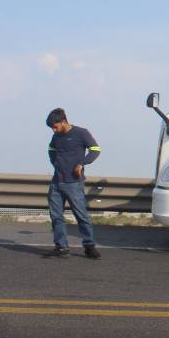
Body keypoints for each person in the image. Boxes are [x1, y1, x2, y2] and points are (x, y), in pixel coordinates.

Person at [44, 108, 102, 259]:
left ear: (63, 121)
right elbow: (51, 149)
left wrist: (82, 163)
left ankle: (89, 246)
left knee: (81, 215)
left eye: (55, 126)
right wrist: (55, 162)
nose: (53, 130)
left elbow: (95, 150)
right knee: (56, 216)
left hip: (74, 183)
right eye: (51, 127)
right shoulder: (56, 137)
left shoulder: (81, 133)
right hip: (56, 182)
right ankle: (61, 247)